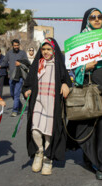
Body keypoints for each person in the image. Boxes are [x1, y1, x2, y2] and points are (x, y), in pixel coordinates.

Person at [67, 8, 102, 180]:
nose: (97, 20)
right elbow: (72, 66)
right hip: (88, 88)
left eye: (100, 17)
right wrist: (85, 67)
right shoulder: (80, 41)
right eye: (93, 17)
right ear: (87, 20)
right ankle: (90, 156)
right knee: (86, 126)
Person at [22, 38, 71, 175]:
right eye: (43, 49)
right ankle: (39, 152)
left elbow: (66, 80)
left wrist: (65, 84)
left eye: (49, 49)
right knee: (35, 130)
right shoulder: (37, 64)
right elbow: (28, 83)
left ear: (54, 51)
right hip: (38, 102)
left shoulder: (59, 65)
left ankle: (48, 159)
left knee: (49, 133)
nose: (46, 52)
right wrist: (27, 91)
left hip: (52, 104)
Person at [0, 39, 28, 117]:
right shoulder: (9, 53)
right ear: (12, 46)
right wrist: (0, 65)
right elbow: (4, 61)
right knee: (12, 94)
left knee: (16, 94)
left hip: (19, 76)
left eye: (17, 45)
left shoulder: (23, 53)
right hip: (11, 77)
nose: (16, 47)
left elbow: (27, 63)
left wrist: (20, 63)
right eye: (15, 45)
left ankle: (15, 110)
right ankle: (20, 105)